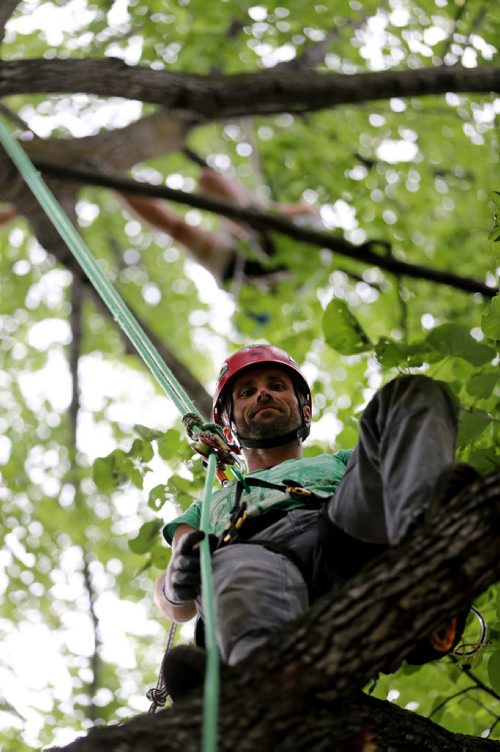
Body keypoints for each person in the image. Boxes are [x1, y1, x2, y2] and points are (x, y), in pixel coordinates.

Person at [154, 344, 478, 696]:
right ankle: (263, 687)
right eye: (247, 392)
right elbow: (177, 605)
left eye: (276, 385)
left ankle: (427, 572)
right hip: (255, 572)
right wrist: (175, 582)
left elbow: (393, 475)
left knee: (411, 394)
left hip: (343, 540)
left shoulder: (341, 463)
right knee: (230, 565)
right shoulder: (207, 505)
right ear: (228, 427)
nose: (262, 393)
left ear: (304, 409)